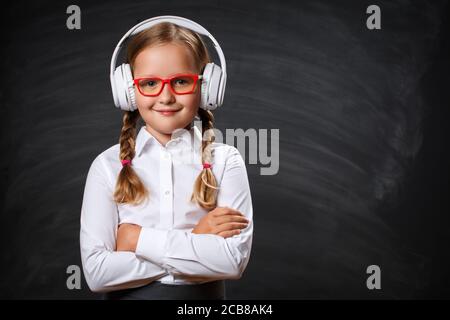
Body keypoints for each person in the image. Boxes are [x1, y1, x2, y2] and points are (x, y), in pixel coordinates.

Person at [79, 16, 253, 300]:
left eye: (181, 81)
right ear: (128, 91)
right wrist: (197, 240)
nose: (166, 96)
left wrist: (136, 240)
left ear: (206, 86)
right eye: (149, 83)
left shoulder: (226, 161)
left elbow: (232, 262)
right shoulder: (106, 167)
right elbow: (97, 273)